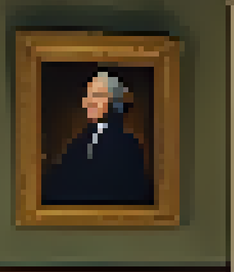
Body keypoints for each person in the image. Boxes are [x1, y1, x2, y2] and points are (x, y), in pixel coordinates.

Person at [41, 71, 154, 205]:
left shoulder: (128, 145)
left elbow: (128, 193)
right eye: (87, 97)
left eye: (96, 96)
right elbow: (58, 178)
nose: (87, 103)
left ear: (114, 101)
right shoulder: (81, 139)